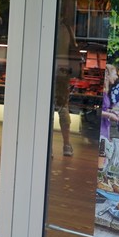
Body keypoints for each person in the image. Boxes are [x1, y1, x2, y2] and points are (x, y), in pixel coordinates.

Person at [54, 17, 79, 156]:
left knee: (46, 109)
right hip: (62, 73)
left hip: (47, 71)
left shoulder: (48, 26)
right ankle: (67, 145)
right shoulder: (66, 28)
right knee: (63, 107)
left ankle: (47, 147)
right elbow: (73, 49)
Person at [99, 64, 119, 140]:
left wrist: (111, 111)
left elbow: (104, 109)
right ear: (107, 75)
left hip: (105, 125)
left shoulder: (106, 91)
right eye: (115, 74)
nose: (117, 77)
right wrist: (110, 115)